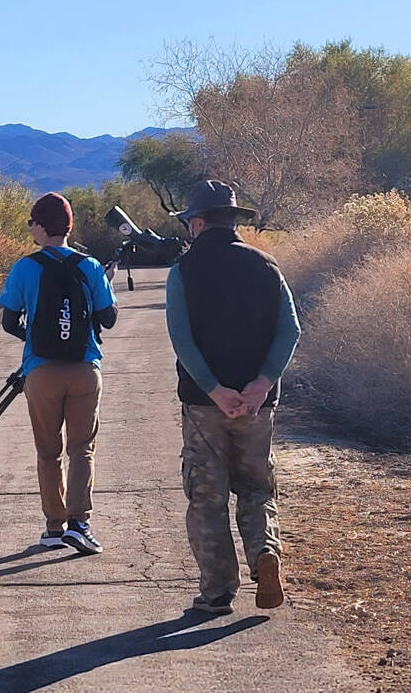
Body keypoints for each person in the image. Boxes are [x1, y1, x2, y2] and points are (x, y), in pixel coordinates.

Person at [165, 179, 301, 615]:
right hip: (258, 407)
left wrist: (214, 389)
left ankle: (218, 591)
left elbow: (181, 339)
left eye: (190, 222)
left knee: (207, 497)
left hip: (206, 407)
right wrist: (262, 383)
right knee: (257, 488)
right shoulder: (267, 267)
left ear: (199, 222)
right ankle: (266, 553)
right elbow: (291, 330)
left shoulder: (183, 272)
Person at [0, 192, 118, 555]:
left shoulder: (25, 267)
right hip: (84, 369)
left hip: (41, 371)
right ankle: (80, 525)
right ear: (68, 226)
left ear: (40, 225)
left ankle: (54, 527)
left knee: (48, 452)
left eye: (32, 223)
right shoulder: (91, 266)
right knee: (82, 448)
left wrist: (37, 336)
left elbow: (8, 321)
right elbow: (108, 319)